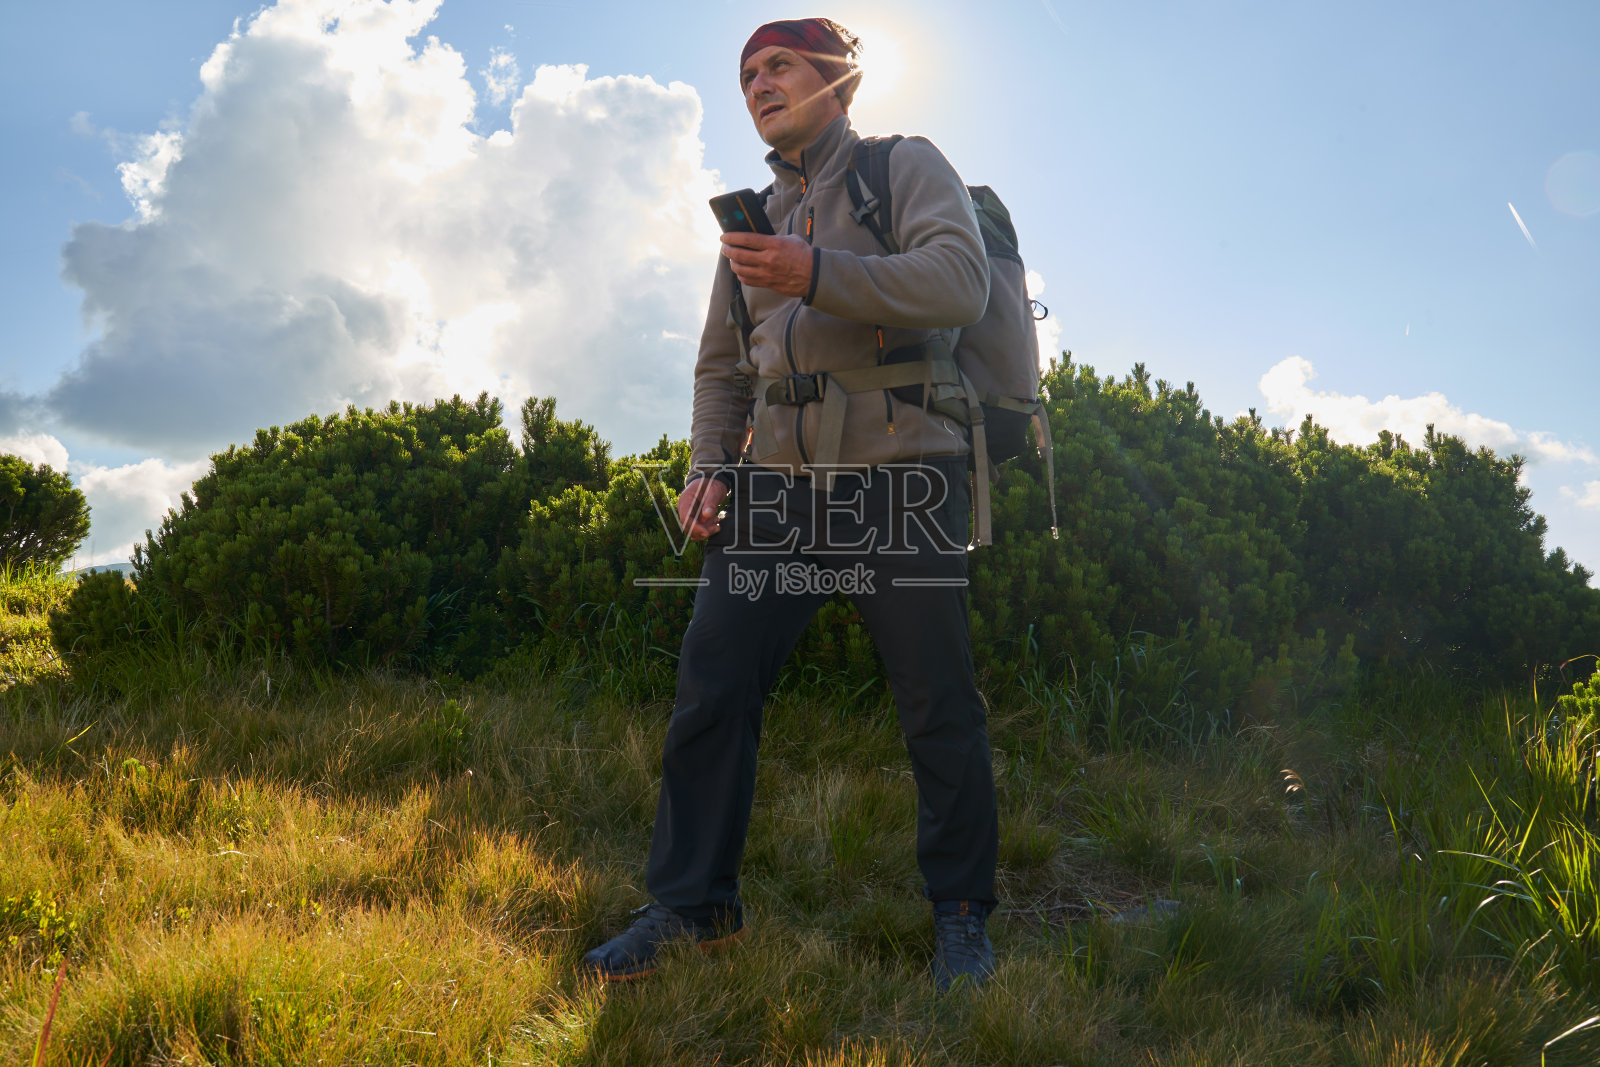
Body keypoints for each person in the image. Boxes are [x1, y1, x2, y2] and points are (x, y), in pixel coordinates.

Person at [583, 17, 999, 992]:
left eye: (779, 65)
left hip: (903, 467)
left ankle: (963, 916)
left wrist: (818, 273)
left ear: (836, 81)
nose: (757, 83)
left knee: (936, 697)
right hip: (774, 485)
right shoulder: (753, 217)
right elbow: (724, 367)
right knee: (712, 679)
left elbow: (959, 280)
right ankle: (693, 906)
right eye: (746, 73)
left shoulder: (902, 166)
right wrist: (706, 467)